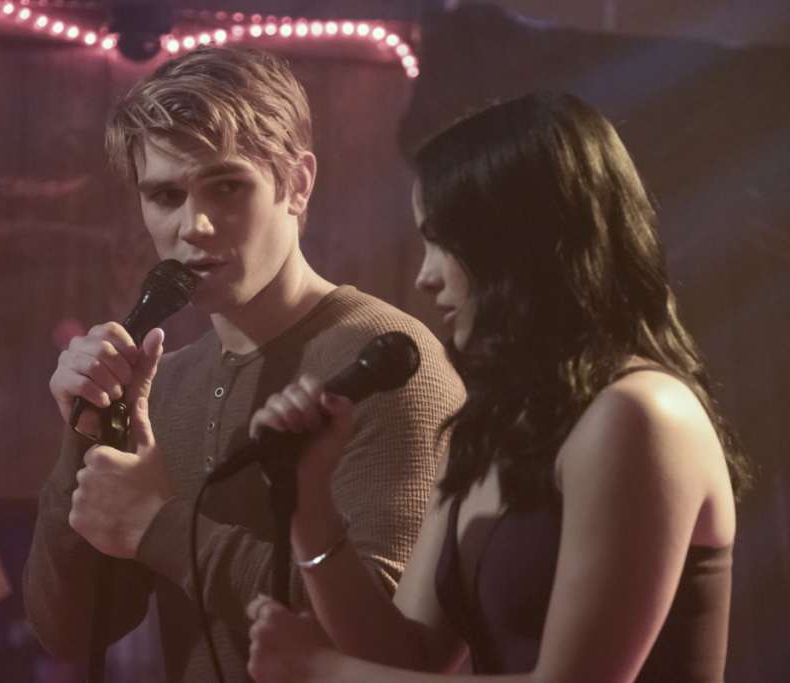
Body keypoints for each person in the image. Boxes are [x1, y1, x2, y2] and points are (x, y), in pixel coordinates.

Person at [244, 91, 751, 683]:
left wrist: (320, 670)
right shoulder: (492, 428)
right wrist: (310, 506)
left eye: (441, 241)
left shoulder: (642, 414)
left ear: (517, 243)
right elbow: (409, 656)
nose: (425, 276)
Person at [22, 46, 464, 682]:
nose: (194, 225)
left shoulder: (387, 363)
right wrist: (83, 439)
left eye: (226, 187)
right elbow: (66, 629)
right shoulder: (166, 383)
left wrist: (158, 527)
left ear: (297, 184)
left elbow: (385, 643)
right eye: (165, 195)